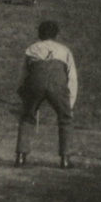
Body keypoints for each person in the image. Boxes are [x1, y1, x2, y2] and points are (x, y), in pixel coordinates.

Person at [15, 20, 78, 169]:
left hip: (35, 82)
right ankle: (65, 159)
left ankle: (21, 157)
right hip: (58, 83)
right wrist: (70, 104)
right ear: (56, 34)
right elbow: (72, 78)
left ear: (39, 33)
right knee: (65, 119)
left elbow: (23, 73)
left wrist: (22, 92)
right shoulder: (65, 50)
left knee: (26, 117)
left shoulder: (31, 48)